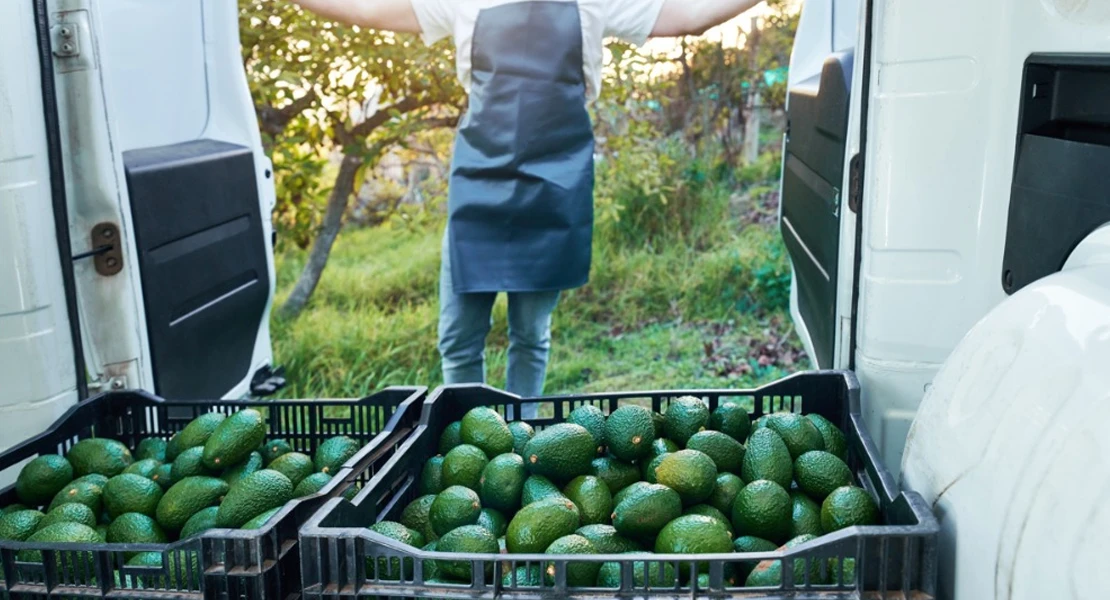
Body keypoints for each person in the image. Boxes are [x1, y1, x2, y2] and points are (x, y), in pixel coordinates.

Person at [290, 0, 766, 404]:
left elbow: (687, 15)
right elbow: (375, 8)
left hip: (555, 184)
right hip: (480, 180)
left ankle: (524, 436)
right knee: (458, 337)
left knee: (531, 335)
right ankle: (469, 437)